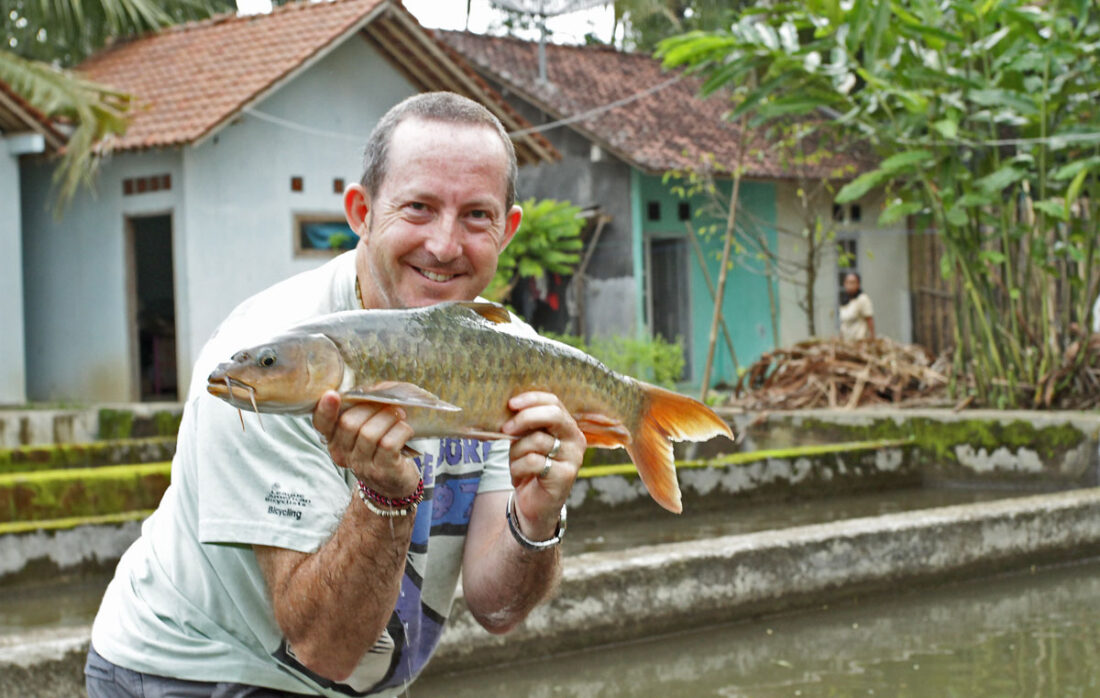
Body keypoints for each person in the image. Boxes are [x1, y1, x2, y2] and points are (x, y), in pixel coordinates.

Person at [84, 92, 585, 697]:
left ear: (507, 230)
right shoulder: (266, 367)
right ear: (361, 211)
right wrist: (385, 497)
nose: (446, 245)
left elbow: (497, 608)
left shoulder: (501, 352)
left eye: (476, 216)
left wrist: (536, 518)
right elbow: (325, 646)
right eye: (418, 208)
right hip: (191, 670)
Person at [839, 272, 875, 341]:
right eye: (847, 282)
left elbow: (869, 319)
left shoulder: (863, 299)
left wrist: (872, 339)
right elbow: (843, 324)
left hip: (860, 343)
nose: (850, 285)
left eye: (852, 283)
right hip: (847, 342)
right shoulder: (844, 302)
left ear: (858, 284)